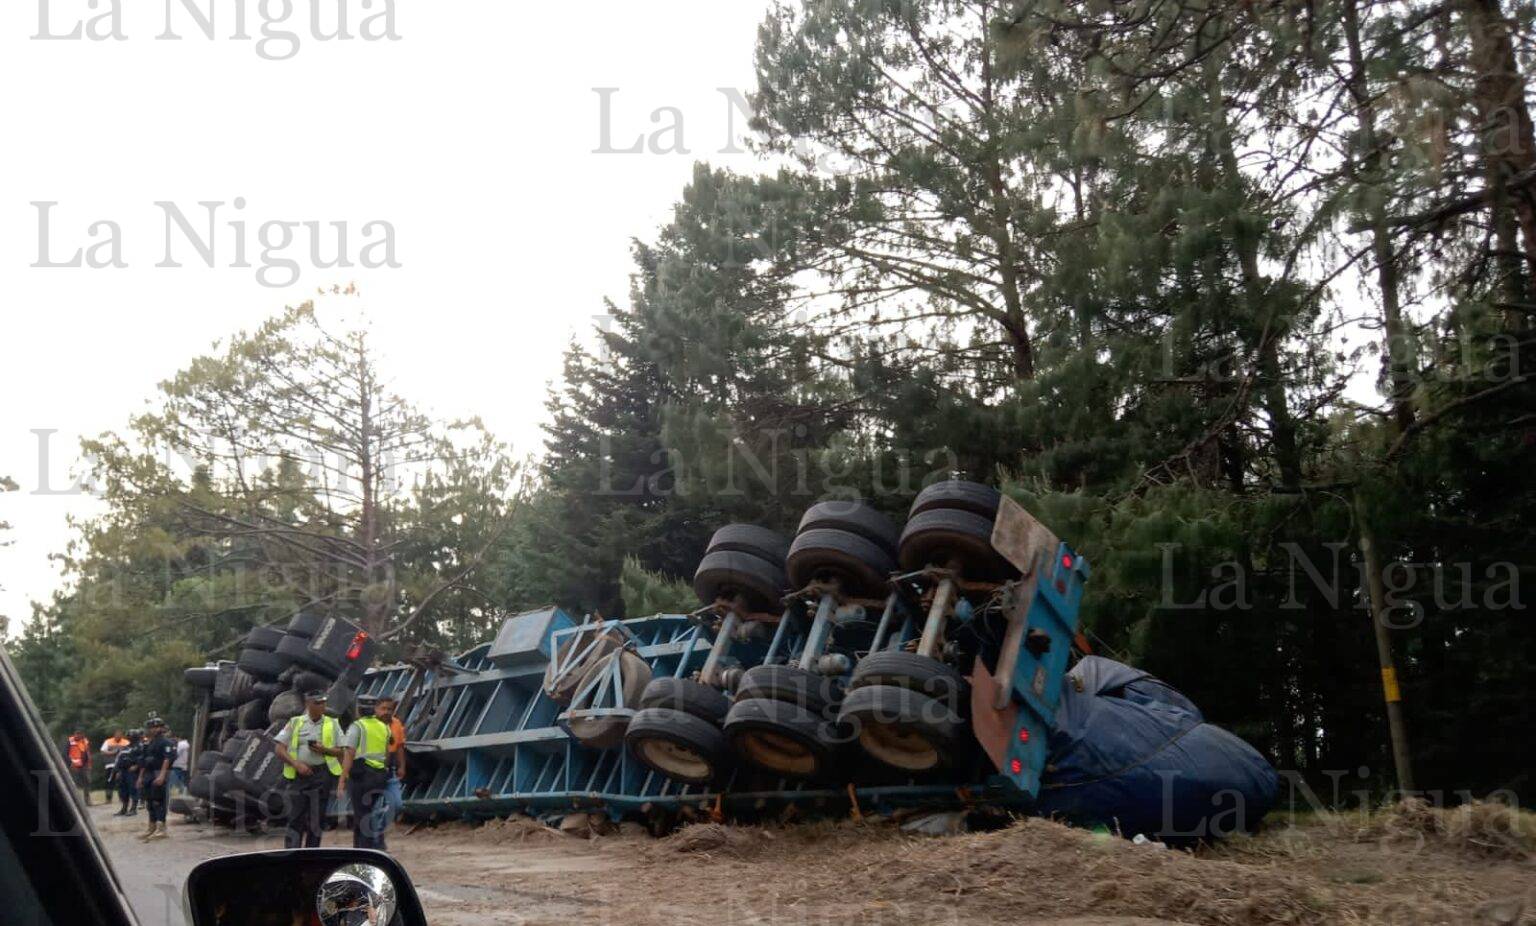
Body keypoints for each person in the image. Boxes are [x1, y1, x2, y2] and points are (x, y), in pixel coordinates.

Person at [273, 689, 345, 849]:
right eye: (317, 703)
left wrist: (324, 749)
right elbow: (279, 748)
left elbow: (342, 750)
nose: (322, 706)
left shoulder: (332, 723)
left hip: (322, 775)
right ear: (308, 704)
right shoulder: (295, 722)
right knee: (295, 817)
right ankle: (292, 854)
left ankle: (312, 853)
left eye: (324, 703)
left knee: (317, 820)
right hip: (299, 776)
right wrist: (296, 764)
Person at [342, 696, 394, 850]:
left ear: (358, 710)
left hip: (361, 775)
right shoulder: (384, 727)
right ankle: (360, 848)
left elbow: (349, 752)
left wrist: (342, 777)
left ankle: (365, 849)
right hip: (379, 776)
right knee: (368, 812)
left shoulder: (357, 726)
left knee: (362, 814)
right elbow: (387, 753)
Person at [369, 697, 407, 837]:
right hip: (372, 769)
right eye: (383, 708)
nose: (386, 711)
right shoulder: (369, 724)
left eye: (389, 709)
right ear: (376, 709)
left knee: (396, 804)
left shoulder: (396, 724)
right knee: (372, 804)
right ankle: (374, 837)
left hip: (390, 770)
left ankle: (378, 829)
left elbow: (399, 747)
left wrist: (402, 766)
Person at [136, 717, 176, 841]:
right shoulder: (149, 743)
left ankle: (161, 828)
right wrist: (140, 777)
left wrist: (162, 775)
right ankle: (151, 827)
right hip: (149, 773)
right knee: (150, 801)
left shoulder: (166, 742)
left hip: (159, 772)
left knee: (158, 801)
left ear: (162, 728)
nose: (154, 729)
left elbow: (167, 759)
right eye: (152, 727)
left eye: (157, 727)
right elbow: (144, 762)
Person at [112, 728, 143, 816]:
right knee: (123, 790)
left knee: (133, 789)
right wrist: (117, 771)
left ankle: (133, 808)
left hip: (133, 772)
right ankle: (124, 808)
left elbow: (142, 758)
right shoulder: (126, 747)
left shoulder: (140, 746)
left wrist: (136, 766)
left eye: (131, 736)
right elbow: (119, 759)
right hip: (123, 771)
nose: (129, 737)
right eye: (128, 736)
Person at [99, 730, 129, 803]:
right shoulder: (108, 741)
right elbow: (102, 751)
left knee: (121, 782)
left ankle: (122, 798)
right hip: (110, 765)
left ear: (122, 735)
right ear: (114, 735)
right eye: (117, 735)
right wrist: (112, 752)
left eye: (120, 735)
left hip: (122, 765)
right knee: (109, 782)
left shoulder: (126, 742)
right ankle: (108, 799)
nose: (118, 736)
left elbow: (130, 751)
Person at [65, 732, 92, 806]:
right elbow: (65, 754)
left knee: (87, 781)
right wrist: (70, 763)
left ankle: (87, 800)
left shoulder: (85, 741)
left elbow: (88, 752)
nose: (78, 736)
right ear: (74, 734)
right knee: (74, 783)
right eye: (76, 734)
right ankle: (74, 801)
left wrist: (89, 764)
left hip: (84, 765)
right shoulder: (70, 741)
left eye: (80, 734)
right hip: (74, 765)